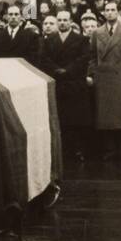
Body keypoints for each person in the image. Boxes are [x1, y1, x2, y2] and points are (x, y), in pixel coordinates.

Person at [88, 0, 121, 159]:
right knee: (105, 116)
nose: (109, 12)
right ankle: (109, 150)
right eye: (107, 10)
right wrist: (92, 74)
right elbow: (92, 57)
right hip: (103, 77)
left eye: (112, 10)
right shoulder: (97, 33)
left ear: (118, 12)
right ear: (103, 13)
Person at [40, 9, 91, 160]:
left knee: (76, 120)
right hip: (57, 82)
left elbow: (83, 58)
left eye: (65, 20)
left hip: (74, 83)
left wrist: (68, 70)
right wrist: (56, 70)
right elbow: (44, 59)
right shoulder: (49, 40)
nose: (62, 23)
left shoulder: (81, 39)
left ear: (70, 22)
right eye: (60, 20)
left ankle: (77, 150)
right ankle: (62, 151)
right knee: (60, 119)